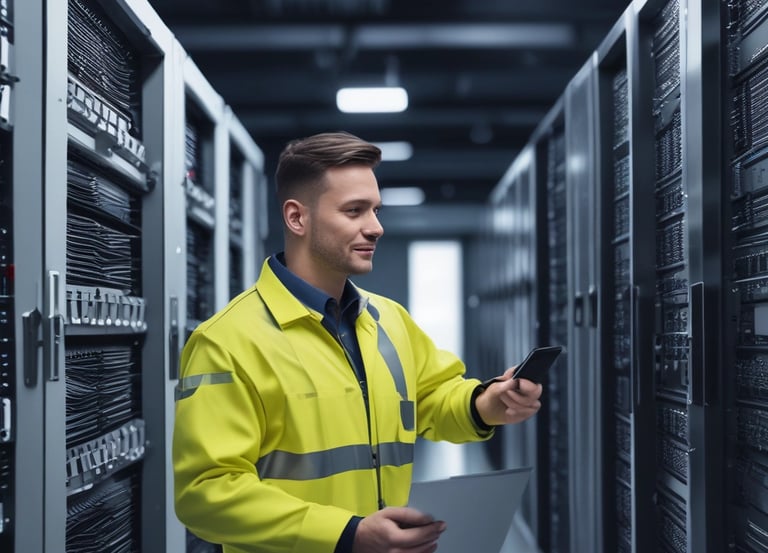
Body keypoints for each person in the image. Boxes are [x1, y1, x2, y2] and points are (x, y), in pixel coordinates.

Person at [172, 131, 543, 553]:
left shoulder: (389, 320)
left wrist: (488, 404)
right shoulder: (227, 341)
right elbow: (206, 493)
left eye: (376, 210)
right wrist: (348, 534)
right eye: (354, 211)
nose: (376, 227)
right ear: (297, 218)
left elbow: (433, 396)